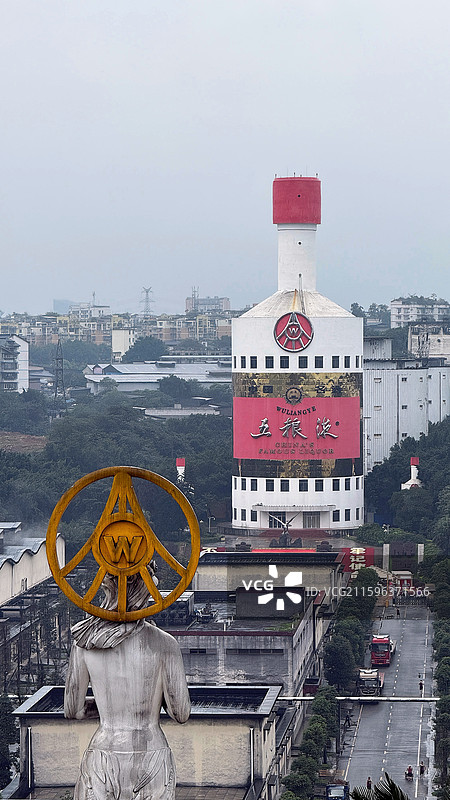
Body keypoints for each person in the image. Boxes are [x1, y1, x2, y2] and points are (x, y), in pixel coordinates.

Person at [64, 569, 190, 800]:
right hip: (150, 752)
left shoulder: (85, 642)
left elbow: (74, 709)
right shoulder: (164, 643)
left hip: (103, 751)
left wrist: (106, 706)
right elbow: (180, 713)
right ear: (145, 594)